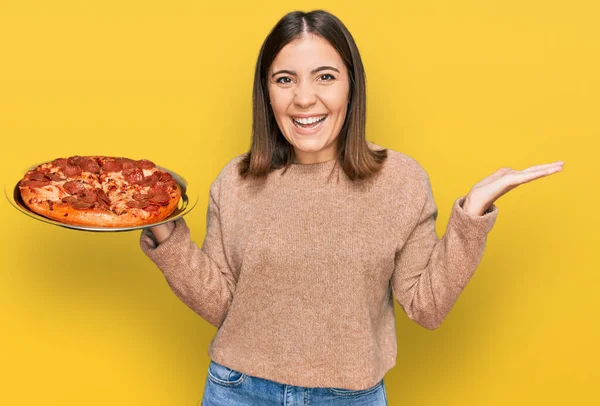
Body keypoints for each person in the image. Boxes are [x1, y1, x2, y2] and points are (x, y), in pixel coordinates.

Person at [140, 9, 564, 406]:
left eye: (325, 76)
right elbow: (223, 305)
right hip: (236, 391)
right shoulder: (235, 181)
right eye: (285, 79)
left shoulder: (401, 181)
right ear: (266, 92)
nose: (304, 98)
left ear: (351, 85)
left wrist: (472, 214)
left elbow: (427, 307)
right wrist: (161, 222)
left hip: (350, 397)